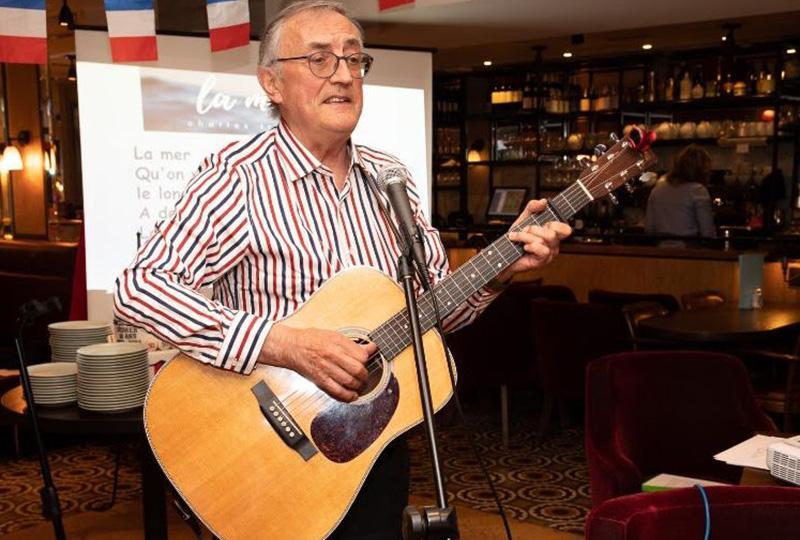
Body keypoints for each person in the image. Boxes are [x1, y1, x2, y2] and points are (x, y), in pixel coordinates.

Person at [113, 1, 571, 538]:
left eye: (355, 61)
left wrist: (499, 269)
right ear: (271, 83)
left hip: (372, 450)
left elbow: (433, 314)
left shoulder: (389, 178)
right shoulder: (237, 178)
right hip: (258, 456)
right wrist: (285, 345)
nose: (344, 76)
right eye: (320, 59)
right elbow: (140, 288)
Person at [645, 144, 716, 239]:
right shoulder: (698, 190)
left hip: (662, 250)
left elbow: (649, 229)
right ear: (703, 169)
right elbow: (707, 233)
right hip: (690, 250)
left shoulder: (657, 190)